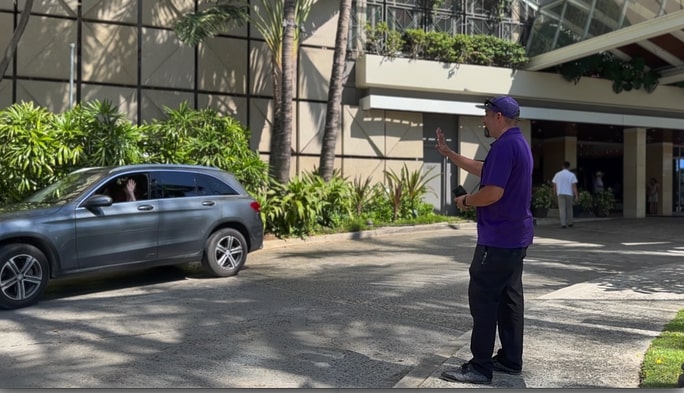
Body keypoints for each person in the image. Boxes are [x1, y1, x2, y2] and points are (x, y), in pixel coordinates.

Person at [435, 95, 534, 385]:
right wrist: (449, 153)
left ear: (498, 117)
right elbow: (484, 169)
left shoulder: (505, 146)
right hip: (515, 237)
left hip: (499, 239)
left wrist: (466, 199)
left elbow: (492, 192)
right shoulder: (517, 143)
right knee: (509, 298)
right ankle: (510, 360)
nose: (484, 120)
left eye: (487, 115)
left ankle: (480, 367)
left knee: (483, 299)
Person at [552, 161, 578, 228]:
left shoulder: (557, 174)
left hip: (560, 193)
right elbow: (574, 186)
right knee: (569, 208)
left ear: (562, 166)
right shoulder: (572, 175)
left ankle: (563, 224)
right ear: (568, 167)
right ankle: (570, 223)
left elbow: (554, 185)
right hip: (569, 193)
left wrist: (554, 192)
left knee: (562, 209)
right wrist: (576, 195)